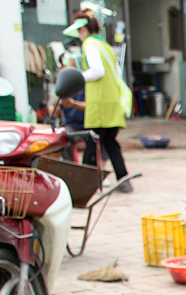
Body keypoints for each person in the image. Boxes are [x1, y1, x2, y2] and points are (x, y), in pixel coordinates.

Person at [64, 13, 133, 193]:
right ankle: (124, 180)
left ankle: (84, 184)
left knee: (93, 142)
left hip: (100, 103)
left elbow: (97, 71)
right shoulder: (105, 46)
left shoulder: (90, 44)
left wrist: (78, 77)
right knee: (110, 142)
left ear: (83, 29)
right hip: (114, 101)